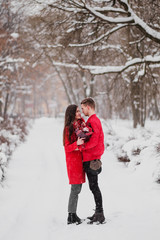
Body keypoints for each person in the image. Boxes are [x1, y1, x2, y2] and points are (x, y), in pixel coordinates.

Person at [80, 97, 105, 224]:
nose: (82, 110)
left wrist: (82, 146)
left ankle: (100, 214)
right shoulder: (91, 120)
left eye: (83, 108)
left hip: (92, 159)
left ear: (88, 107)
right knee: (93, 186)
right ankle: (98, 212)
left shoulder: (93, 121)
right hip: (91, 158)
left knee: (94, 186)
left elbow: (95, 140)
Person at [63, 104, 85, 225]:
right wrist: (77, 143)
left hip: (79, 160)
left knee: (77, 188)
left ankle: (73, 213)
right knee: (75, 188)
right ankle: (71, 215)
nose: (79, 113)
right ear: (72, 113)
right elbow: (67, 147)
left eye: (79, 111)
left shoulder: (79, 125)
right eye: (77, 111)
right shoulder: (68, 128)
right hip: (73, 162)